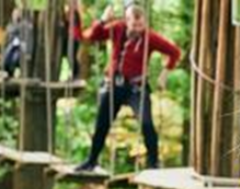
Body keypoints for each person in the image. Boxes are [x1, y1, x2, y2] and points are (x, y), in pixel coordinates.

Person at [74, 3, 181, 171]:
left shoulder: (149, 38)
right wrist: (102, 20)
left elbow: (174, 52)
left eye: (141, 25)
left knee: (146, 123)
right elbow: (90, 37)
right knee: (101, 124)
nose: (137, 29)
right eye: (134, 25)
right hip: (114, 86)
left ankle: (153, 163)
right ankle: (92, 161)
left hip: (136, 88)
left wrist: (164, 74)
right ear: (127, 21)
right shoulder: (117, 29)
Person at [1, 8, 33, 78]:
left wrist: (28, 52)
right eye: (14, 14)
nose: (16, 16)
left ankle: (14, 73)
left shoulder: (25, 25)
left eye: (17, 14)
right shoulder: (10, 26)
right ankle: (8, 73)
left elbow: (28, 39)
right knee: (6, 57)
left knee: (15, 58)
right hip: (11, 47)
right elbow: (6, 39)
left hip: (20, 49)